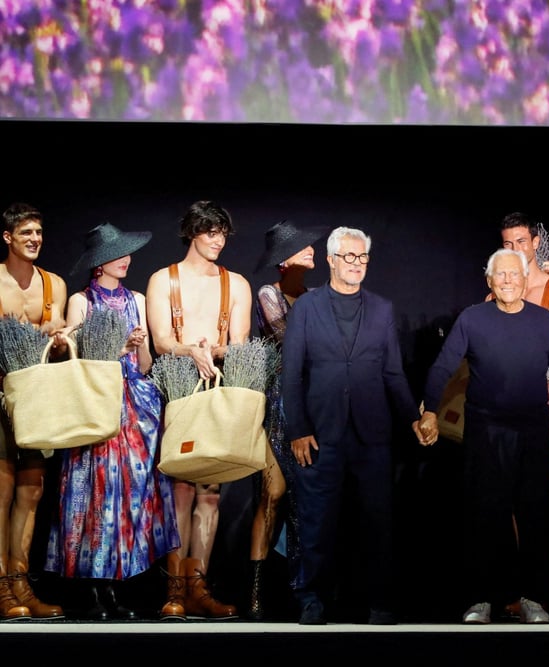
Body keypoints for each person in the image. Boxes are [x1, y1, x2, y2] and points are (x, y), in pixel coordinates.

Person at [418, 248, 549, 626]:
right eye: (499, 276)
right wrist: (427, 412)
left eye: (513, 275)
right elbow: (442, 366)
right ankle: (481, 599)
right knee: (484, 516)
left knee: (535, 516)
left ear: (524, 280)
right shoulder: (473, 319)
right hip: (486, 432)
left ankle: (535, 598)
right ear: (489, 281)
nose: (507, 281)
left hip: (533, 430)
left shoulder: (543, 321)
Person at [282, 226, 426, 626]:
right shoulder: (306, 309)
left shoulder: (381, 308)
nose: (357, 264)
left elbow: (394, 374)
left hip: (372, 433)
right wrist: (297, 429)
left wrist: (413, 419)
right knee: (316, 523)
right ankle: (311, 599)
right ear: (330, 260)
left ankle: (380, 602)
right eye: (349, 257)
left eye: (362, 257)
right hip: (319, 434)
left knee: (377, 523)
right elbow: (292, 374)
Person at [44, 223, 180, 620]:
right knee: (97, 492)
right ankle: (94, 586)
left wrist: (137, 349)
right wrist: (119, 346)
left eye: (126, 252)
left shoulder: (136, 299)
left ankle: (120, 584)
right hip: (97, 402)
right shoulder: (81, 302)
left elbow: (145, 365)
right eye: (117, 253)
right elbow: (79, 359)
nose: (125, 259)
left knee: (130, 495)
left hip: (134, 405)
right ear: (98, 262)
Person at [146, 199, 252, 620]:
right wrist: (189, 349)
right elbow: (160, 342)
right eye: (210, 232)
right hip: (177, 388)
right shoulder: (163, 280)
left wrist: (214, 348)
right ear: (192, 232)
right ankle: (174, 586)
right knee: (179, 490)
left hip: (218, 387)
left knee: (210, 493)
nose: (217, 240)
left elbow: (240, 343)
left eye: (223, 233)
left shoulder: (237, 283)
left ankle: (198, 586)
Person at [497, 212, 549, 619]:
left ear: (534, 243)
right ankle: (518, 586)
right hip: (506, 399)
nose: (513, 250)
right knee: (513, 497)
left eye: (519, 242)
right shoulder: (496, 288)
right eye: (506, 244)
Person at [246, 220, 324, 621]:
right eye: (302, 245)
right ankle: (256, 593)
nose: (312, 249)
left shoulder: (312, 298)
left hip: (312, 404)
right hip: (280, 402)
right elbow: (287, 340)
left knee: (305, 501)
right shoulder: (268, 294)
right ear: (282, 261)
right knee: (273, 493)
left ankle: (301, 589)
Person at [0, 202, 68, 621]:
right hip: (1, 394)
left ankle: (20, 581)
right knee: (2, 490)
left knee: (32, 490)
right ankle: (0, 587)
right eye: (26, 233)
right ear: (8, 237)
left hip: (38, 395)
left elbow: (55, 332)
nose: (34, 240)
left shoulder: (52, 284)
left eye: (38, 233)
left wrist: (58, 338)